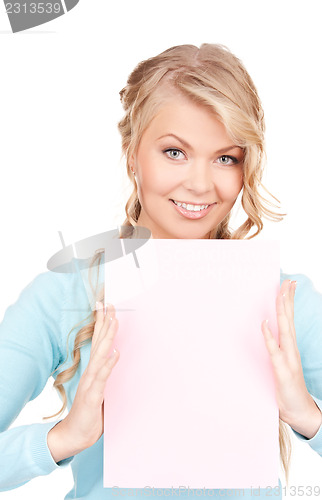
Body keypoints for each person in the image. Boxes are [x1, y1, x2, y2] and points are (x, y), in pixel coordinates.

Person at [0, 43, 322, 500]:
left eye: (225, 157)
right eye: (174, 152)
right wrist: (61, 439)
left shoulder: (284, 302)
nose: (199, 183)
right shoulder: (66, 293)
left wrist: (308, 417)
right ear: (133, 153)